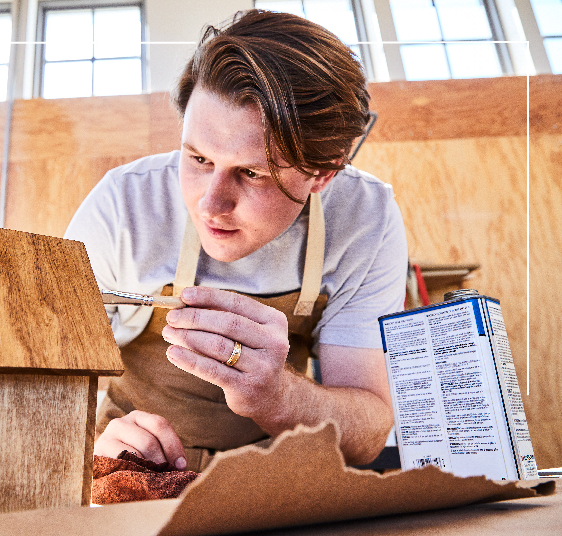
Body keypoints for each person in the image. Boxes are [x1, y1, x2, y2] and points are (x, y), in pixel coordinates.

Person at [64, 9, 407, 473]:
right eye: (199, 158)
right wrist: (91, 450)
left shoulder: (366, 217)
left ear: (323, 172)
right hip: (127, 474)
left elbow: (367, 434)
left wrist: (279, 396)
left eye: (252, 173)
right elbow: (43, 391)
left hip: (274, 481)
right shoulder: (123, 206)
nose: (210, 204)